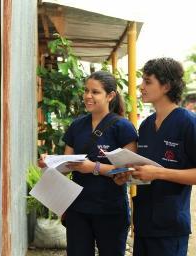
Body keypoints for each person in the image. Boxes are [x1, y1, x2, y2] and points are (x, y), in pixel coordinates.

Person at [116, 57, 196, 256]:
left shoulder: (188, 123)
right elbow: (145, 169)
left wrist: (159, 173)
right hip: (143, 223)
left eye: (147, 81)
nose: (141, 86)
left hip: (170, 226)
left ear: (166, 86)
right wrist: (128, 174)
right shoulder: (146, 125)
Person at [61, 71, 138, 256]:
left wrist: (94, 167)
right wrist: (48, 163)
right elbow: (66, 163)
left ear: (110, 96)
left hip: (110, 210)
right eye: (86, 90)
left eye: (95, 92)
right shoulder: (76, 126)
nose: (88, 96)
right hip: (77, 208)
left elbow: (130, 170)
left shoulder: (123, 127)